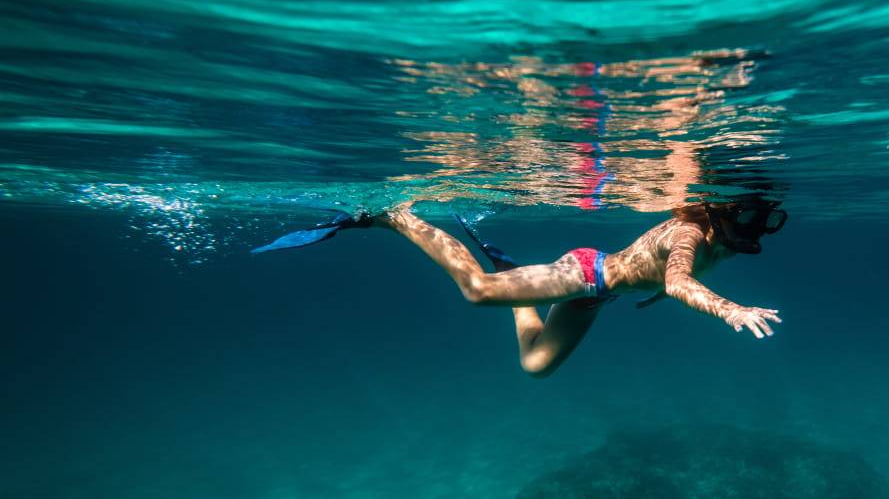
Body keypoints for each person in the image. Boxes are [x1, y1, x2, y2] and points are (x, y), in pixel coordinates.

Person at [253, 198, 786, 377]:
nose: (752, 238)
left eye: (758, 230)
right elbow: (676, 278)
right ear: (725, 213)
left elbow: (667, 280)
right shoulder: (693, 231)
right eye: (749, 226)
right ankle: (399, 217)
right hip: (585, 271)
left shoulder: (722, 240)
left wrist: (656, 291)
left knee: (535, 366)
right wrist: (730, 311)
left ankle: (524, 294)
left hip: (598, 295)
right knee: (477, 289)